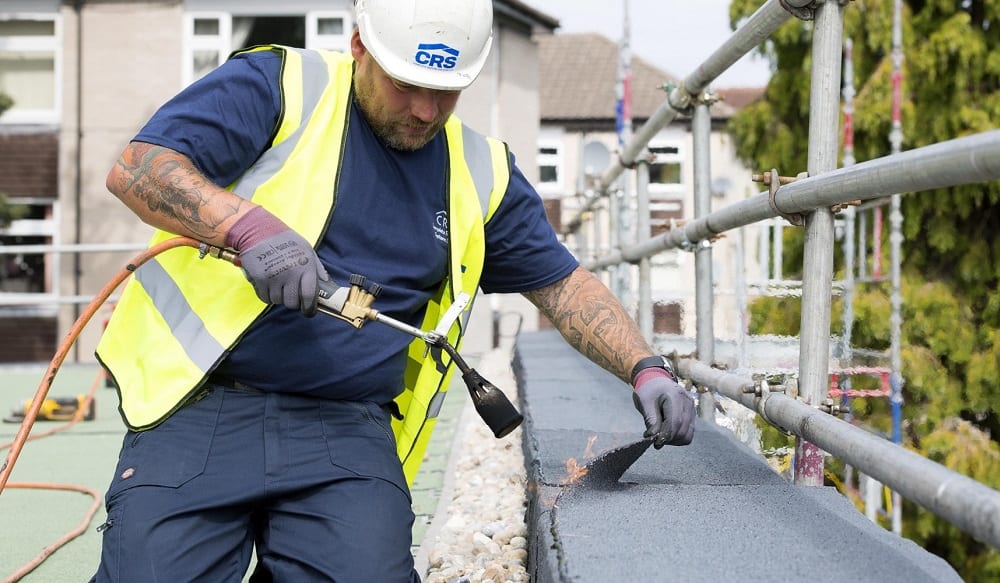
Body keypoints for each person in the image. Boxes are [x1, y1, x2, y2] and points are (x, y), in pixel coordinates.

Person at [92, 0, 695, 580]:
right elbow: (139, 166)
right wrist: (245, 226)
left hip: (345, 428)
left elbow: (563, 285)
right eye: (407, 84)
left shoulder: (479, 171)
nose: (427, 110)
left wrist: (644, 367)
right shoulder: (279, 86)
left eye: (446, 91)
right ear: (359, 46)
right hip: (202, 404)